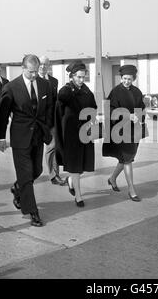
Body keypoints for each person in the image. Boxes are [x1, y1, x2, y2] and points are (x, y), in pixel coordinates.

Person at [0, 54, 53, 227]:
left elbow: (49, 109)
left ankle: (17, 188)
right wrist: (1, 138)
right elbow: (3, 115)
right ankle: (33, 212)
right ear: (23, 68)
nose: (34, 75)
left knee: (36, 171)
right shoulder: (11, 87)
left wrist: (48, 129)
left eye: (36, 71)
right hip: (20, 138)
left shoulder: (45, 85)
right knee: (26, 175)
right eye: (31, 72)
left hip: (38, 136)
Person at [55, 60, 97, 207]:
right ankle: (78, 196)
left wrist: (92, 122)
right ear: (71, 76)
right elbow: (60, 104)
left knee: (82, 165)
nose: (81, 80)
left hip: (84, 132)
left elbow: (93, 108)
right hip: (70, 134)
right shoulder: (66, 90)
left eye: (83, 77)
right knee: (75, 165)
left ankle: (71, 181)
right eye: (78, 77)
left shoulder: (87, 91)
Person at [102, 65, 146, 202]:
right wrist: (128, 116)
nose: (127, 81)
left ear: (134, 79)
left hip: (135, 131)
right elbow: (111, 112)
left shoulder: (137, 92)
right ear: (121, 78)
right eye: (124, 78)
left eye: (129, 79)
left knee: (127, 158)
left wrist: (141, 115)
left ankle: (112, 178)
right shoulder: (115, 92)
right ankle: (131, 190)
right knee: (127, 159)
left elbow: (141, 108)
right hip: (120, 130)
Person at [38, 56, 66, 186]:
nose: (43, 67)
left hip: (51, 121)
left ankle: (54, 175)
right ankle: (30, 175)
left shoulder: (54, 81)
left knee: (52, 147)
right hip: (37, 122)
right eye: (41, 64)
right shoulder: (33, 80)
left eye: (46, 65)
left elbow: (56, 101)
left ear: (49, 66)